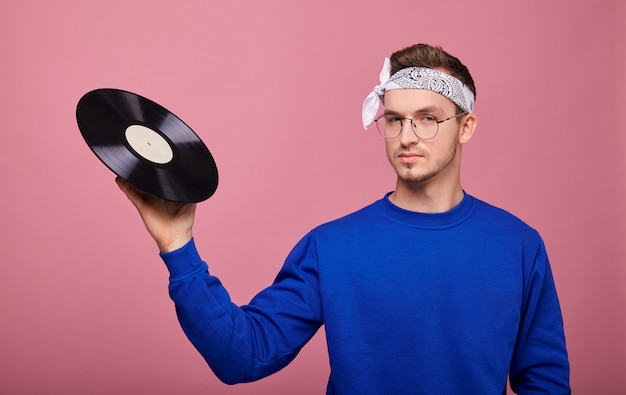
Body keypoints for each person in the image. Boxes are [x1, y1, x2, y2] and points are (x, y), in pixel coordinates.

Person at [117, 43, 570, 394]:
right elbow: (244, 355)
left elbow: (545, 382)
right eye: (394, 119)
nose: (407, 136)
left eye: (427, 118)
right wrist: (178, 247)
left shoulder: (518, 245)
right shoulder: (331, 246)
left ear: (465, 126)